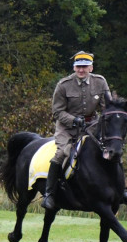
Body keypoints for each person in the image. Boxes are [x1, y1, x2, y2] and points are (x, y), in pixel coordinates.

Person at [41, 51, 111, 211]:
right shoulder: (63, 85)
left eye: (84, 67)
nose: (81, 70)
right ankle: (49, 195)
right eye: (78, 67)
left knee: (111, 150)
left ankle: (120, 190)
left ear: (91, 68)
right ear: (74, 68)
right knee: (61, 154)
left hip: (91, 127)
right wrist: (74, 120)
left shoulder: (100, 82)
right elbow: (57, 112)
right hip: (67, 129)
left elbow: (107, 106)